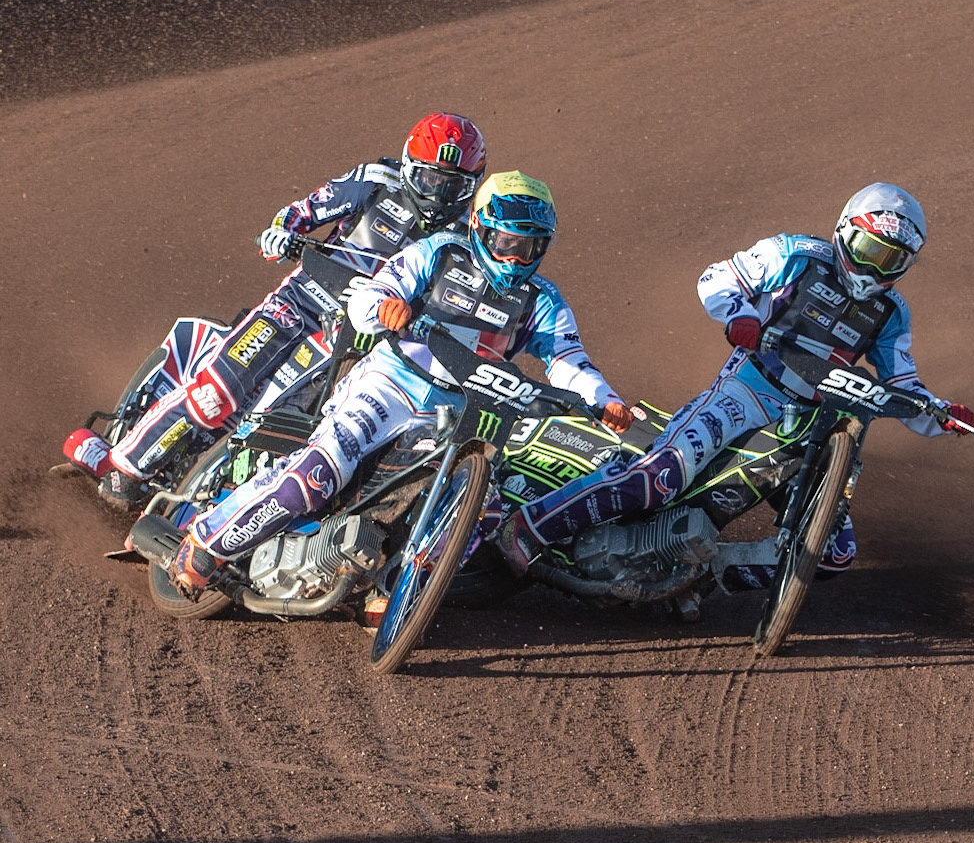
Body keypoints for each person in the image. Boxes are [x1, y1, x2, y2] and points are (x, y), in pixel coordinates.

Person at [165, 171, 633, 595]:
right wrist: (386, 307)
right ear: (480, 228)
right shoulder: (439, 252)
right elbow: (366, 300)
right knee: (319, 474)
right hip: (391, 381)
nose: (514, 258)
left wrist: (604, 401)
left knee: (479, 513)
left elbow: (569, 361)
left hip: (463, 409)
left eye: (528, 247)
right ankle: (206, 545)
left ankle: (390, 592)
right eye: (506, 242)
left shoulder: (541, 300)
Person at [494, 182, 974, 581]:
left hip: (812, 427)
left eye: (891, 261)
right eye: (870, 250)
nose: (875, 268)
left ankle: (701, 578)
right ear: (846, 234)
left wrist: (941, 415)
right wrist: (740, 316)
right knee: (661, 478)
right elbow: (716, 279)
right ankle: (531, 527)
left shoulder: (891, 313)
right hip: (746, 391)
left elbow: (904, 384)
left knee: (835, 553)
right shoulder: (795, 256)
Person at [64, 112, 489, 508]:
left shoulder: (470, 241)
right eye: (430, 178)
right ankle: (125, 467)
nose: (438, 193)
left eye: (452, 186)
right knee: (220, 392)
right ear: (408, 166)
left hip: (361, 338)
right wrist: (281, 234)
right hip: (301, 301)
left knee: (286, 421)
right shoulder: (374, 181)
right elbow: (300, 213)